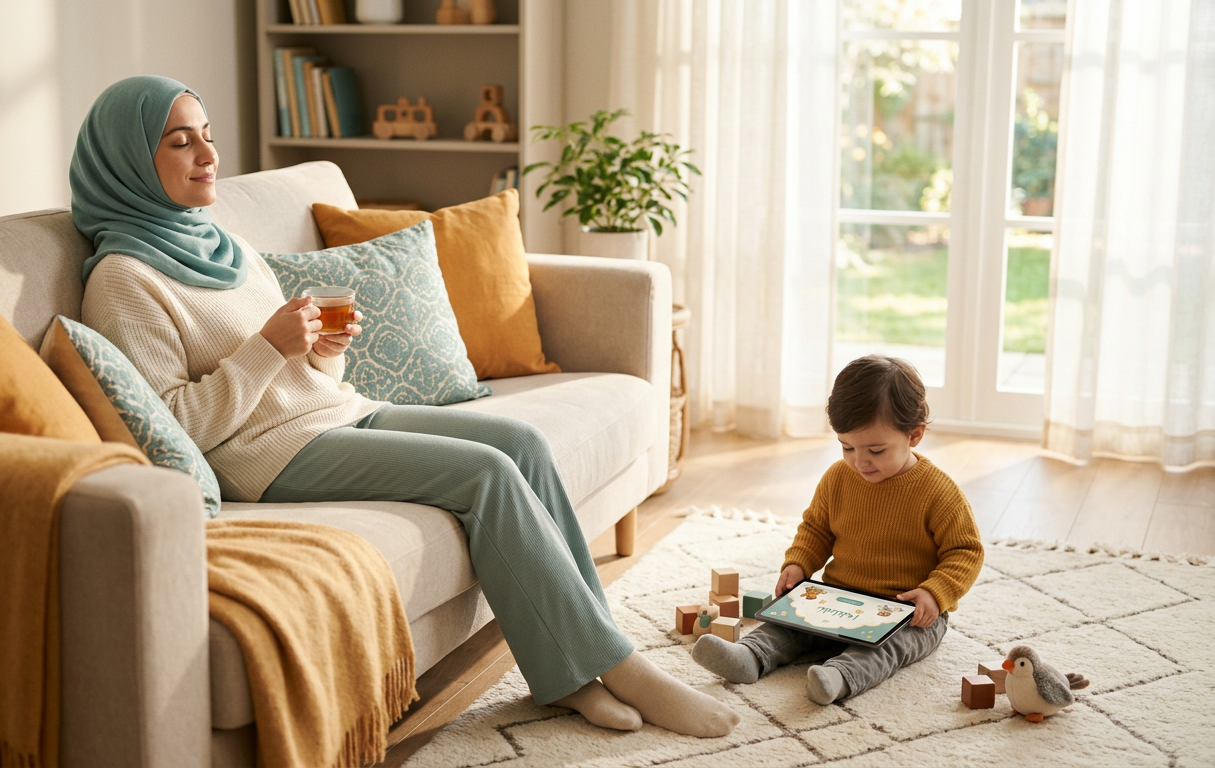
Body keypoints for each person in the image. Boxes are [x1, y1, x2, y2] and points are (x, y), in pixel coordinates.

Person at [70, 75, 738, 738]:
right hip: (263, 456)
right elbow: (177, 425)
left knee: (522, 445)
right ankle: (617, 668)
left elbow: (297, 373)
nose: (208, 155)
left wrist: (322, 350)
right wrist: (268, 349)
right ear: (128, 162)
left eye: (208, 136)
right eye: (181, 142)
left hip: (332, 411)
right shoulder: (123, 279)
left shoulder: (224, 245)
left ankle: (581, 664)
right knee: (486, 474)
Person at [692, 355, 983, 704]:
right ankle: (749, 656)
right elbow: (816, 529)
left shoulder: (938, 492)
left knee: (889, 648)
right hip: (838, 597)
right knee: (788, 623)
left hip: (907, 612)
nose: (859, 461)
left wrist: (934, 594)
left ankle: (839, 677)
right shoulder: (838, 478)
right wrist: (798, 563)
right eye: (847, 447)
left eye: (876, 450)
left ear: (914, 435)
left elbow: (966, 551)